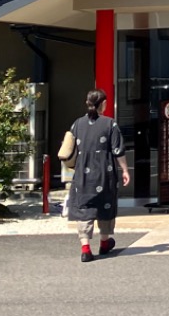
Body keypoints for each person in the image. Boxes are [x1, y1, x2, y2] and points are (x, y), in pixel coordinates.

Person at [67, 88, 131, 262]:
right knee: (105, 205)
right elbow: (118, 151)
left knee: (84, 207)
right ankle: (104, 242)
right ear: (103, 103)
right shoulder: (111, 124)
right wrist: (125, 170)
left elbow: (68, 148)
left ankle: (85, 248)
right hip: (105, 171)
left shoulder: (77, 124)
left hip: (82, 172)